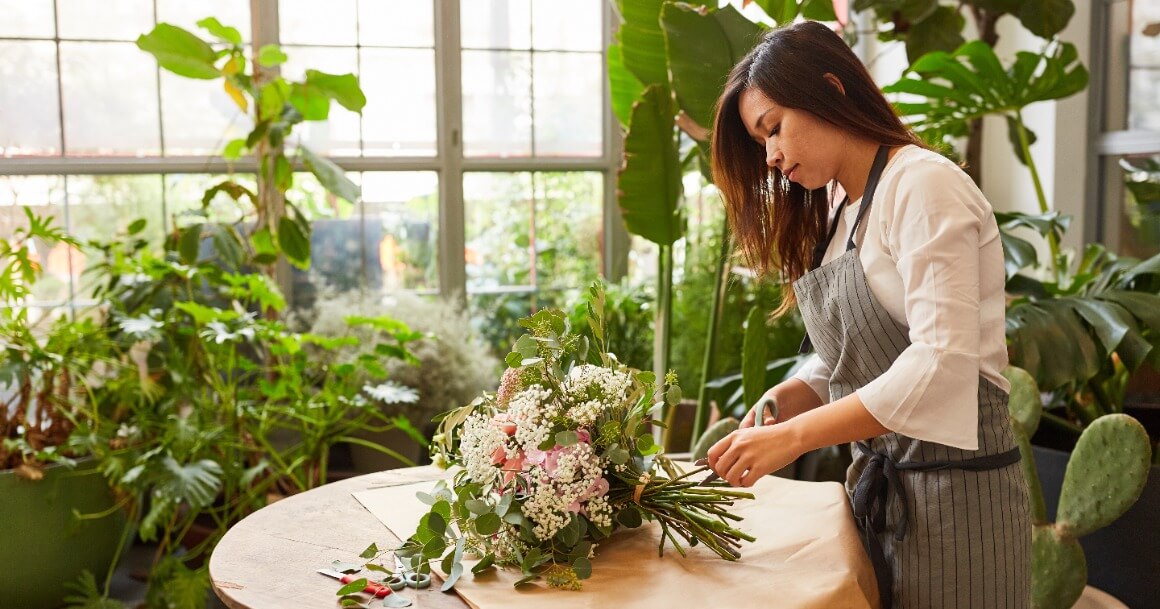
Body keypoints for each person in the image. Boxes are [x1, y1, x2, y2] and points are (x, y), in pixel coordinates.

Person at [704, 20, 1032, 609]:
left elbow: (942, 361)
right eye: (761, 144)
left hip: (960, 505)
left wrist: (794, 438)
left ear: (830, 89)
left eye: (774, 128)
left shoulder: (923, 185)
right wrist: (785, 400)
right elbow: (854, 359)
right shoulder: (841, 214)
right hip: (885, 503)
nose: (772, 156)